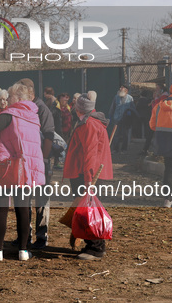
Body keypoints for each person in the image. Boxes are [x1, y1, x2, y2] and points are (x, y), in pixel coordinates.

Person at [0, 83, 45, 261]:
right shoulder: (34, 117)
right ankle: (24, 251)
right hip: (27, 170)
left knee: (2, 208)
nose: (7, 100)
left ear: (18, 99)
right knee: (23, 209)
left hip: (7, 168)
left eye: (10, 97)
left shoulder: (9, 115)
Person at [63, 91, 113, 260]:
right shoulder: (92, 121)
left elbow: (90, 154)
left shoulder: (89, 124)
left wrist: (88, 180)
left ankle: (96, 247)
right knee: (87, 208)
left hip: (85, 174)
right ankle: (93, 244)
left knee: (89, 209)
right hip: (85, 173)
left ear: (79, 109)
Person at [14, 78, 55, 250]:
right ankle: (25, 235)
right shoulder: (23, 107)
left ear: (29, 92)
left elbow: (49, 136)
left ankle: (41, 237)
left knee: (41, 200)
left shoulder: (42, 110)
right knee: (24, 199)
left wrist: (43, 161)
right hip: (25, 163)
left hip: (40, 162)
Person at [140, 84, 168, 155]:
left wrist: (156, 98)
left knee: (155, 135)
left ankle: (157, 151)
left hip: (159, 119)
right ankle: (145, 149)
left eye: (157, 89)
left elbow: (158, 106)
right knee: (150, 135)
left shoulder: (164, 96)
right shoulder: (159, 97)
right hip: (154, 118)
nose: (155, 91)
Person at [108, 85, 136, 154]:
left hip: (125, 119)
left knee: (125, 135)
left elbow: (133, 108)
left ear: (126, 90)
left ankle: (124, 149)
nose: (120, 89)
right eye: (120, 87)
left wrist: (130, 112)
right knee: (116, 134)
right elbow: (112, 107)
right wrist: (110, 116)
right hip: (117, 119)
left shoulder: (130, 98)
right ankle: (115, 149)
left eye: (122, 88)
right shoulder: (116, 97)